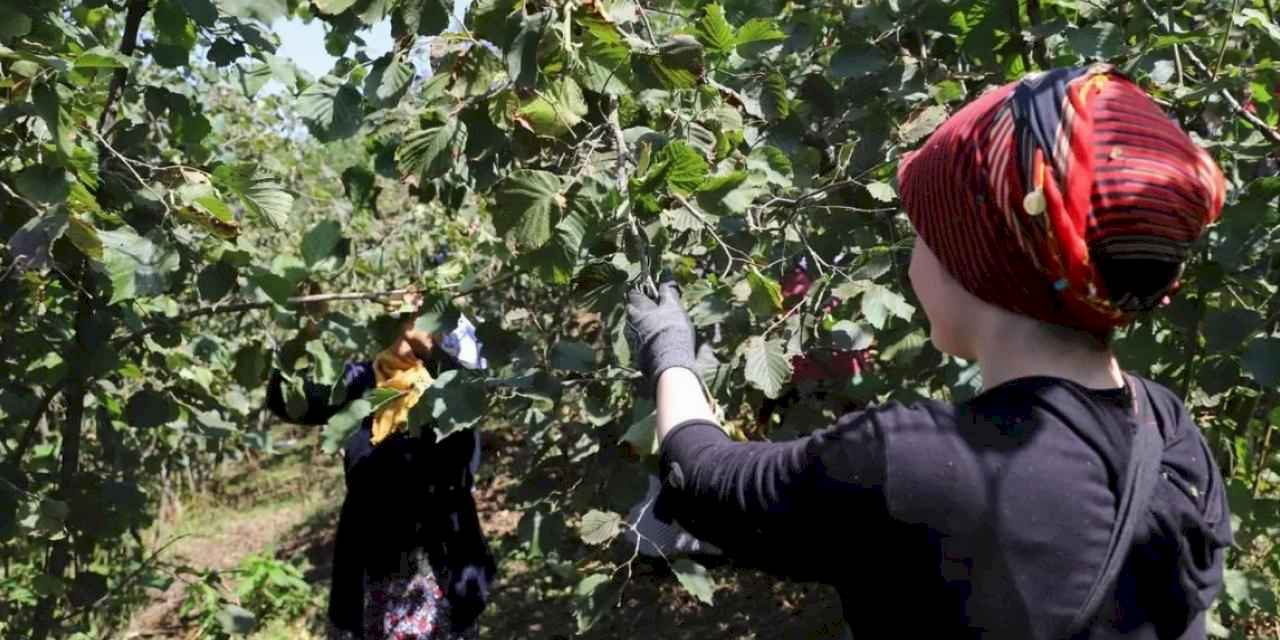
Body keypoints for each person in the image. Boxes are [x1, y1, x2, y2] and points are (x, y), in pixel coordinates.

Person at [624, 65, 1232, 639]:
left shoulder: (912, 464)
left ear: (976, 263)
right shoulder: (1170, 432)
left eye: (925, 229)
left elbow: (702, 480)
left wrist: (669, 349)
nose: (914, 254)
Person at [266, 306, 496, 640]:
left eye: (419, 325)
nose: (408, 334)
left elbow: (465, 415)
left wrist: (428, 351)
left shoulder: (450, 385)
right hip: (369, 553)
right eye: (402, 323)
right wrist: (304, 338)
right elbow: (287, 402)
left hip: (441, 556)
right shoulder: (359, 380)